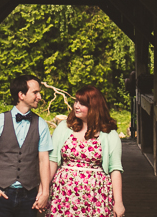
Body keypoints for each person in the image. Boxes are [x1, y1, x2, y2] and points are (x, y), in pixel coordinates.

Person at [46, 85, 125, 217]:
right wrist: (43, 191)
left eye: (82, 103)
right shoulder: (64, 128)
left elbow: (115, 170)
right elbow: (52, 161)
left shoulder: (109, 134)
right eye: (76, 101)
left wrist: (119, 202)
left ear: (94, 107)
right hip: (63, 195)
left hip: (96, 196)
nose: (76, 106)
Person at [0, 74, 53, 217]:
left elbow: (44, 160)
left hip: (29, 196)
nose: (39, 97)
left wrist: (45, 192)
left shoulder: (41, 125)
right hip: (1, 194)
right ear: (21, 95)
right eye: (35, 92)